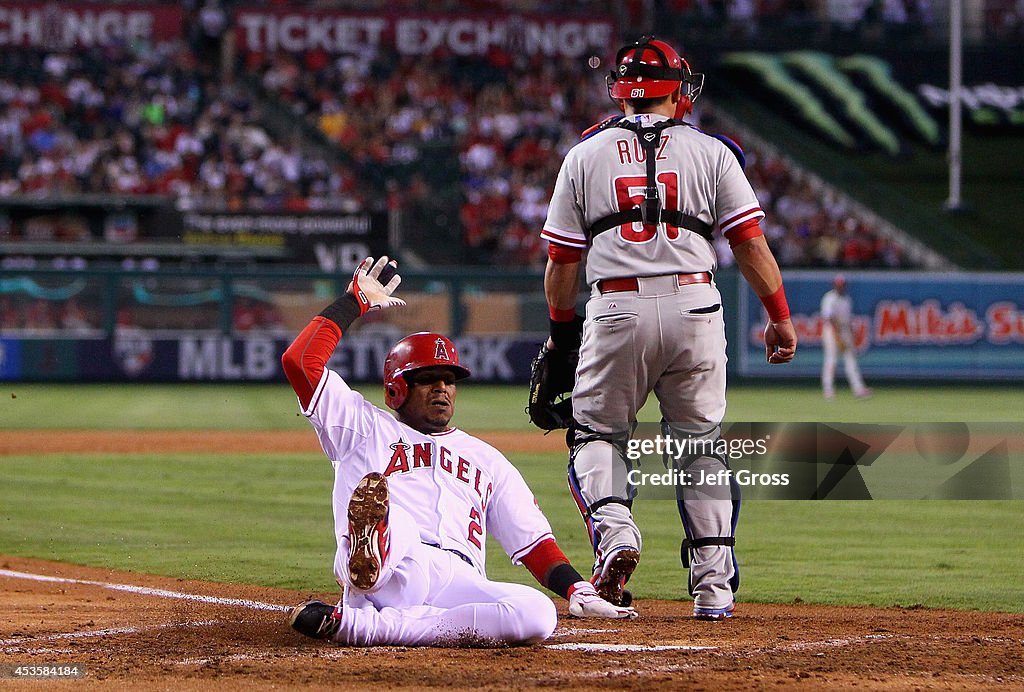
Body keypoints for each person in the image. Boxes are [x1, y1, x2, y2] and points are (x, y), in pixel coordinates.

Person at [540, 37, 797, 620]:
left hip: (616, 308)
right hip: (696, 307)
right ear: (678, 91)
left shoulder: (584, 154)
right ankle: (714, 592)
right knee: (700, 445)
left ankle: (617, 535)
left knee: (597, 437)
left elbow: (561, 263)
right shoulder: (714, 152)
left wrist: (561, 331)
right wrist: (779, 317)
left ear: (621, 92)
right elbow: (750, 245)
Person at [283, 256, 636, 647]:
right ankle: (372, 550)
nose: (442, 388)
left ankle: (368, 627)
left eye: (449, 379)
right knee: (391, 518)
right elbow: (300, 362)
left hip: (460, 579)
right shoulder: (361, 427)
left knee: (537, 613)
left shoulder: (488, 459)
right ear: (396, 390)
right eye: (427, 379)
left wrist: (578, 591)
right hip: (398, 563)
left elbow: (534, 544)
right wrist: (354, 302)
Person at [820, 274, 871, 399]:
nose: (840, 287)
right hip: (831, 332)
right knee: (831, 360)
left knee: (851, 360)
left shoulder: (847, 299)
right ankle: (828, 389)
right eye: (838, 284)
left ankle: (858, 389)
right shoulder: (829, 298)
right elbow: (829, 319)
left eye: (842, 285)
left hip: (844, 331)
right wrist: (837, 337)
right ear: (835, 285)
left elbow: (847, 320)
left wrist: (851, 336)